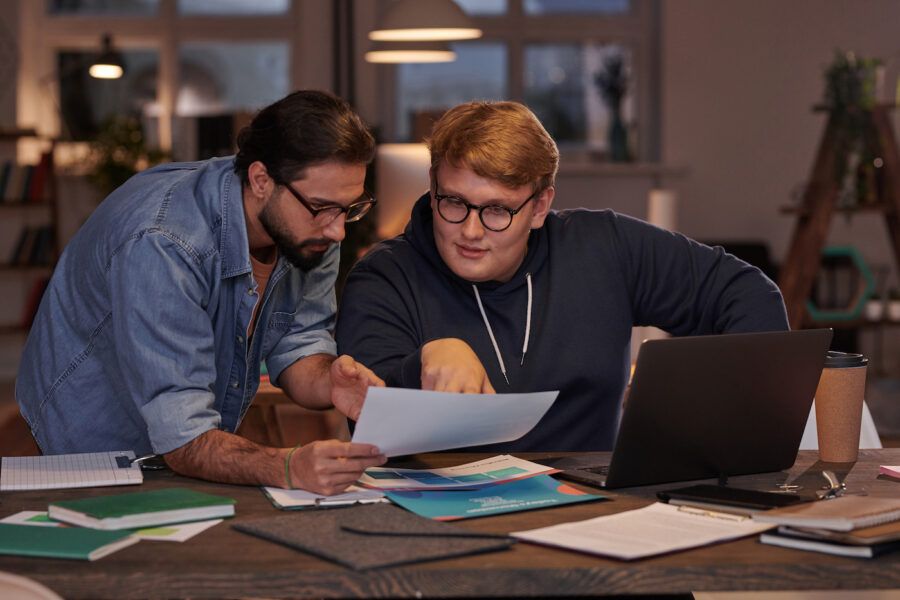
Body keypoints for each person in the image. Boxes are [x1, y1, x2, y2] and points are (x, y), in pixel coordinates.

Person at [336, 100, 789, 452]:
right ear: (432, 186)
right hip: (438, 519)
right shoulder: (384, 276)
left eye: (497, 210)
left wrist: (723, 422)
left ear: (539, 206)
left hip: (591, 513)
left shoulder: (605, 246)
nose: (470, 231)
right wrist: (427, 360)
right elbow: (368, 419)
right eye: (453, 202)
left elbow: (747, 294)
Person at [17, 90, 387, 494]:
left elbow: (298, 342)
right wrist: (286, 466)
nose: (338, 231)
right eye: (322, 208)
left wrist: (330, 382)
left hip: (184, 433)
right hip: (93, 431)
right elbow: (183, 438)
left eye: (350, 208)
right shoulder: (164, 242)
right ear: (261, 180)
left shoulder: (314, 229)